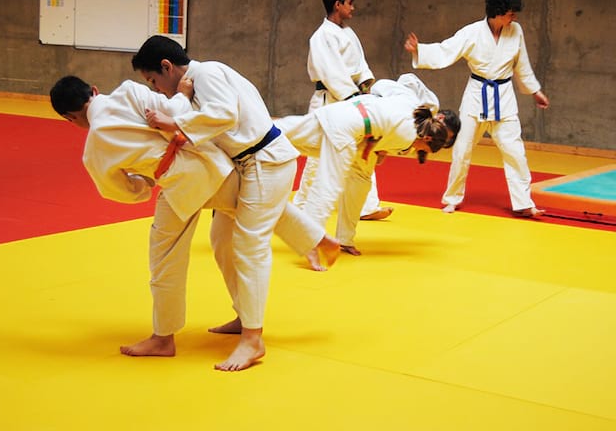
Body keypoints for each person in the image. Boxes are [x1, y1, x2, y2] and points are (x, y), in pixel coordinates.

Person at [49, 75, 337, 372]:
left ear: (71, 118)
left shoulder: (95, 148)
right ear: (94, 91)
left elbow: (119, 190)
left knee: (165, 257)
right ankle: (314, 239)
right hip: (210, 161)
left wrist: (144, 182)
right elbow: (173, 112)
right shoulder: (129, 92)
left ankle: (163, 338)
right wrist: (183, 95)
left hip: (177, 182)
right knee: (249, 206)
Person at [132, 35, 313, 371]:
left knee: (249, 244)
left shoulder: (208, 73)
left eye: (153, 80)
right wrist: (180, 111)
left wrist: (175, 121)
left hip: (265, 161)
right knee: (221, 240)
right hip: (246, 164)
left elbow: (225, 115)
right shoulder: (193, 86)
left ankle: (253, 339)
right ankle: (246, 313)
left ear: (167, 67)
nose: (156, 89)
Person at [404, 0, 550, 217]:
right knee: (461, 150)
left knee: (515, 151)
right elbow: (447, 49)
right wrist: (419, 51)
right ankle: (452, 198)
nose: (515, 17)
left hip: (503, 96)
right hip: (476, 96)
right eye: (511, 13)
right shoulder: (472, 32)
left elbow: (522, 63)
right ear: (498, 12)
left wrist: (534, 91)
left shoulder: (516, 31)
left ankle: (523, 202)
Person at [274, 74, 458, 256]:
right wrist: (380, 144)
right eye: (423, 148)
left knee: (282, 132)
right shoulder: (407, 137)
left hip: (341, 112)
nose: (418, 150)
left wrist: (378, 108)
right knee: (330, 182)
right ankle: (308, 240)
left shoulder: (410, 102)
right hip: (349, 131)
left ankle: (344, 239)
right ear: (426, 138)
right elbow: (378, 152)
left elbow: (382, 86)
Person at [297, 0, 393, 223]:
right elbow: (332, 73)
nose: (353, 8)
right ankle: (300, 206)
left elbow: (360, 65)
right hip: (330, 100)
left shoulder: (348, 33)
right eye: (349, 3)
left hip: (350, 98)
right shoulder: (321, 36)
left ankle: (367, 205)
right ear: (337, 4)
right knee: (318, 155)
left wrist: (365, 85)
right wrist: (353, 98)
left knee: (362, 150)